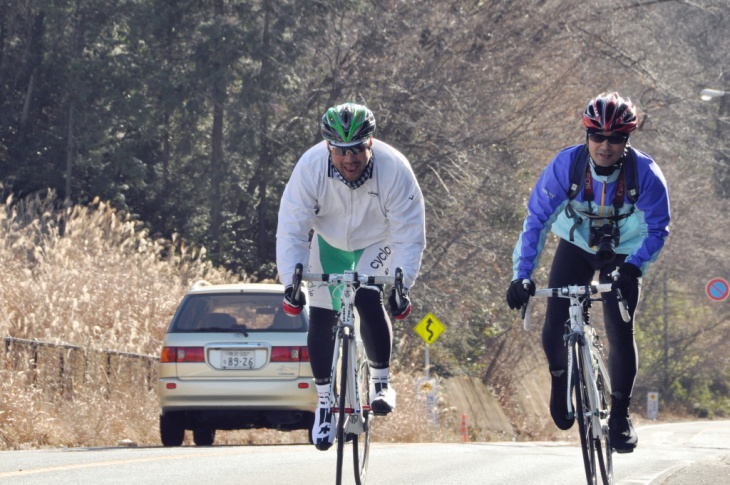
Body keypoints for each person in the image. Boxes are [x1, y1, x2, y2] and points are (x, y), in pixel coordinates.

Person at [506, 92, 670, 453]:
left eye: (615, 138)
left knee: (618, 324)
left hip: (624, 253)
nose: (605, 146)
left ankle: (622, 414)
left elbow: (658, 229)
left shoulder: (645, 174)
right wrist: (522, 274)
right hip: (576, 245)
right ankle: (560, 377)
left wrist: (633, 268)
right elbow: (536, 221)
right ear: (587, 135)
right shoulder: (567, 165)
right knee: (557, 313)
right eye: (597, 136)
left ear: (627, 140)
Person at [276, 102, 426, 451]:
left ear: (370, 143)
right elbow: (291, 230)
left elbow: (409, 234)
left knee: (366, 296)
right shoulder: (310, 168)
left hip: (378, 242)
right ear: (329, 147)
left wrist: (403, 285)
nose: (349, 159)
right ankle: (325, 404)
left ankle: (381, 381)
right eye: (341, 151)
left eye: (357, 148)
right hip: (328, 243)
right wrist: (290, 285)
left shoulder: (394, 169)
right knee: (322, 316)